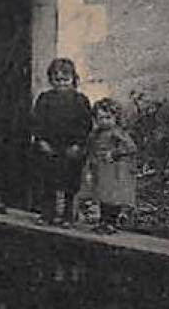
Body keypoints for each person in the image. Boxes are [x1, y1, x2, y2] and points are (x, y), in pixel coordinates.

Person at [29, 57, 93, 225]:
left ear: (73, 79)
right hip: (50, 147)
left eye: (66, 80)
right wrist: (41, 140)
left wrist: (78, 144)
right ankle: (47, 214)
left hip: (71, 148)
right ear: (51, 80)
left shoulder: (80, 100)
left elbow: (85, 124)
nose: (61, 84)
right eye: (57, 80)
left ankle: (68, 215)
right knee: (48, 181)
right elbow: (37, 121)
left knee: (70, 182)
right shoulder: (45, 99)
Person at [85, 97, 137, 233]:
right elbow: (91, 149)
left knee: (113, 196)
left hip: (114, 170)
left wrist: (114, 153)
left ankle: (111, 222)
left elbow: (131, 148)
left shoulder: (117, 133)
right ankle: (103, 221)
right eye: (100, 118)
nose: (104, 122)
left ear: (115, 118)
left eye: (107, 118)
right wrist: (90, 164)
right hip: (100, 168)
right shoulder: (95, 134)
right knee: (102, 195)